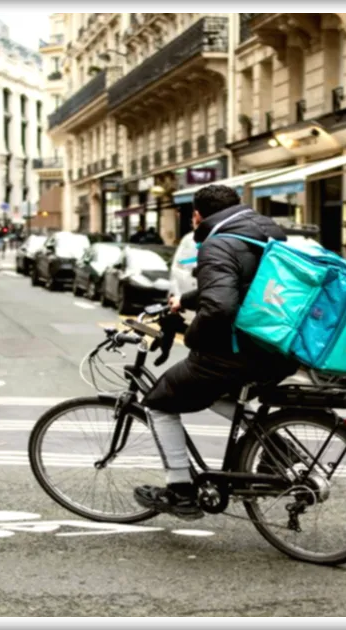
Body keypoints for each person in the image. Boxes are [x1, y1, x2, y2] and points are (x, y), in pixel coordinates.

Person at [133, 185, 301, 520]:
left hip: (237, 353)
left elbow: (221, 308)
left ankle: (180, 491)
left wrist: (192, 338)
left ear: (197, 215)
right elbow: (243, 285)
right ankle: (281, 451)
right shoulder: (266, 234)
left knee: (159, 403)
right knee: (214, 394)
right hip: (278, 347)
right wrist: (186, 300)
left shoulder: (217, 244)